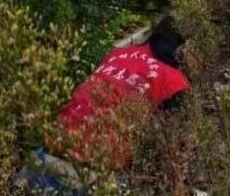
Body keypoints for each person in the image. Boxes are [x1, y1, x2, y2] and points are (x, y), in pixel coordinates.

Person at [56, 16, 190, 170]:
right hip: (98, 160)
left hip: (59, 136)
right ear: (183, 47)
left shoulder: (118, 53)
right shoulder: (173, 82)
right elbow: (164, 139)